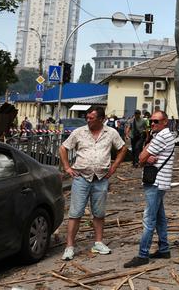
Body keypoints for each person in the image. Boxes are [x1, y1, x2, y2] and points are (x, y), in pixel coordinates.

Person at [59, 106, 127, 260]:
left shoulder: (111, 133)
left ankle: (98, 242)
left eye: (92, 118)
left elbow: (123, 149)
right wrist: (67, 168)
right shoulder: (79, 132)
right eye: (87, 118)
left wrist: (114, 167)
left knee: (99, 213)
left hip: (101, 178)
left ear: (102, 119)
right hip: (81, 177)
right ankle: (69, 246)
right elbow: (63, 148)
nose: (88, 121)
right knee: (75, 213)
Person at [123, 110, 176, 267]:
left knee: (149, 219)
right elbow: (144, 155)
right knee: (159, 217)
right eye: (151, 121)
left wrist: (145, 157)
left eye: (156, 121)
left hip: (156, 182)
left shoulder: (162, 136)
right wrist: (146, 156)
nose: (152, 124)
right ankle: (164, 249)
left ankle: (143, 254)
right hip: (160, 181)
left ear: (165, 122)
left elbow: (140, 157)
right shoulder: (161, 135)